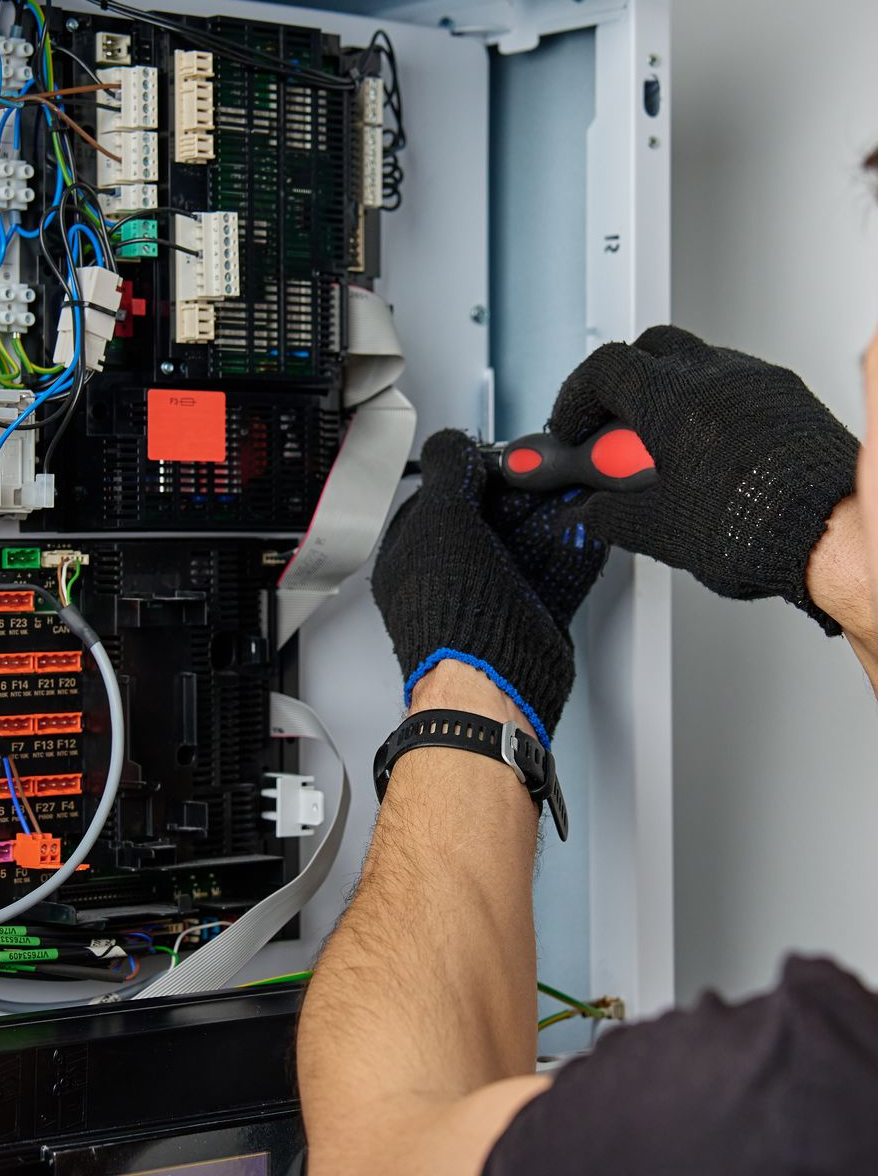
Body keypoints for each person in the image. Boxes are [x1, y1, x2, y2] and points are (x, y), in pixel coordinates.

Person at [297, 323, 878, 1174]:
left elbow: (375, 1155)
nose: (866, 357)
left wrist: (470, 678)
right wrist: (839, 560)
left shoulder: (810, 1116)